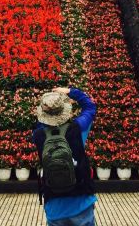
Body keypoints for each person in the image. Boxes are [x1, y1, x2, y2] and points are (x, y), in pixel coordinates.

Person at [33, 87, 97, 226]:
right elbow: (90, 107)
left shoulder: (38, 135)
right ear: (65, 110)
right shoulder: (78, 128)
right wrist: (70, 91)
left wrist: (47, 105)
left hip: (54, 208)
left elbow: (41, 123)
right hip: (82, 204)